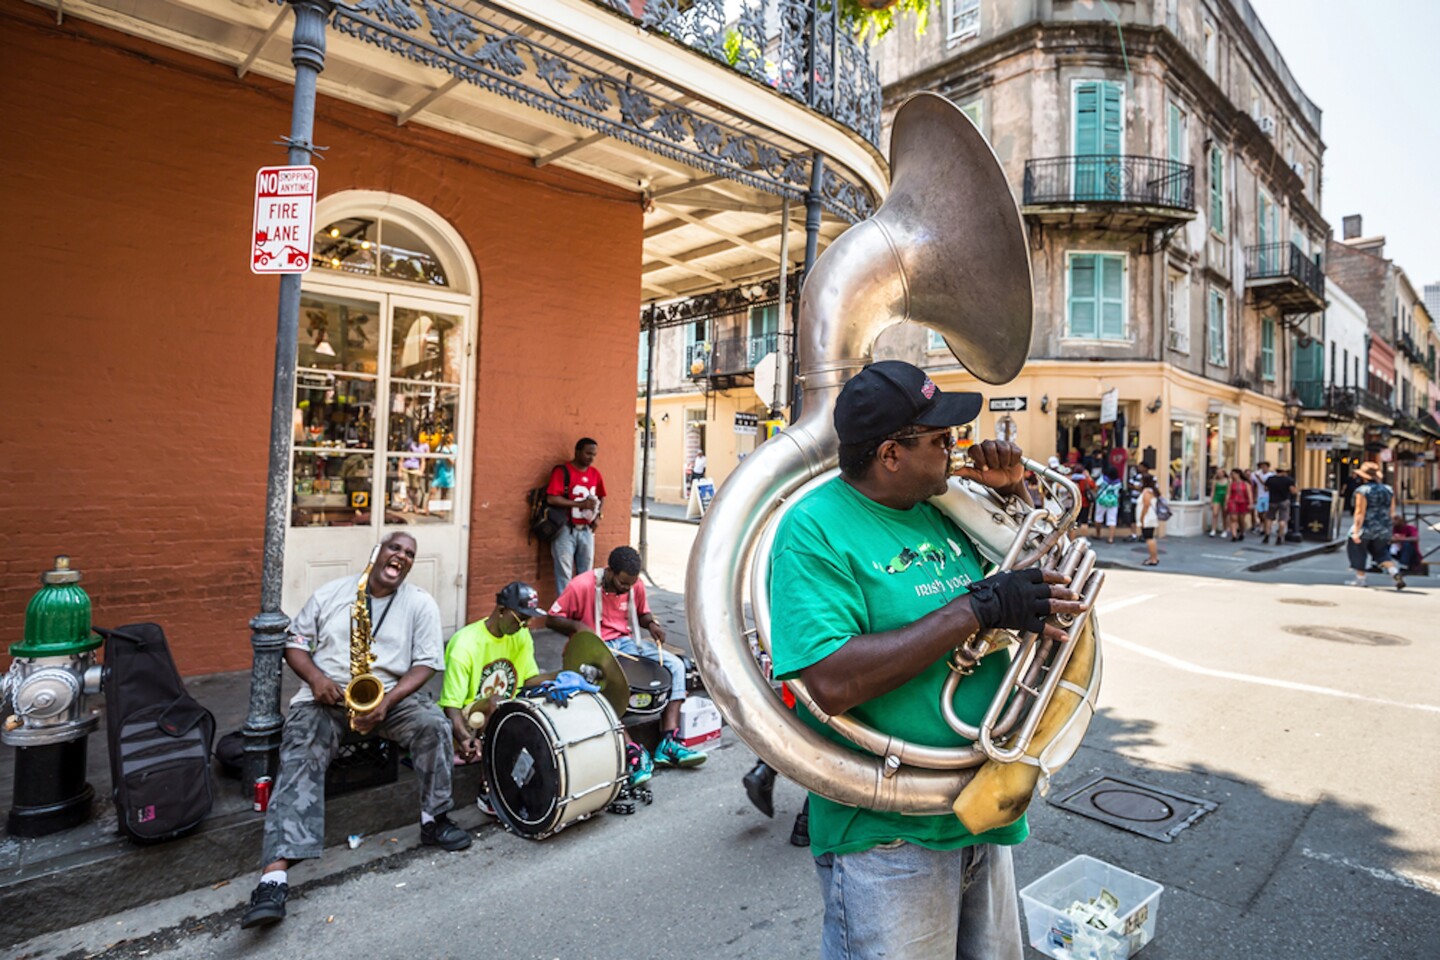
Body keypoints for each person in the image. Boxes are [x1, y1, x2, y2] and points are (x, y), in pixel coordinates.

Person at [769, 360, 1087, 960]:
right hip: (888, 833)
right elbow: (832, 679)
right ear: (891, 453)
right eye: (941, 440)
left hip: (978, 808)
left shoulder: (947, 505)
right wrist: (978, 608)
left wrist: (1014, 496)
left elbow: (1051, 579)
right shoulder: (812, 529)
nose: (957, 449)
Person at [240, 533, 469, 930]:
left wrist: (388, 701)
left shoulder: (420, 603)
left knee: (434, 725)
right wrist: (315, 678)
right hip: (327, 698)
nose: (402, 556)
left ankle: (435, 820)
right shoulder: (332, 593)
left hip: (388, 699)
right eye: (395, 548)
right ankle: (273, 878)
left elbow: (427, 663)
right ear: (378, 552)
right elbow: (293, 642)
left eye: (410, 554)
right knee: (300, 747)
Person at [548, 545, 707, 777]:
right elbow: (551, 620)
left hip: (627, 644)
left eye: (631, 584)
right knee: (605, 684)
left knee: (675, 665)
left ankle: (668, 741)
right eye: (623, 583)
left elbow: (642, 614)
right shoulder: (581, 585)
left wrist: (651, 624)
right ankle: (632, 752)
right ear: (610, 571)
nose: (627, 588)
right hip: (593, 649)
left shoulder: (634, 585)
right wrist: (578, 627)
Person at [439, 582, 549, 811]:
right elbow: (451, 704)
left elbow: (528, 680)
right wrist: (462, 737)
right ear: (501, 611)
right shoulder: (464, 644)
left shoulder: (521, 636)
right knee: (496, 703)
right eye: (521, 618)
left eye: (530, 620)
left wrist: (563, 676)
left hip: (505, 714)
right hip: (472, 719)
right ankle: (489, 787)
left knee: (541, 702)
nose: (526, 625)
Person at [546, 438, 606, 594]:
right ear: (577, 452)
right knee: (564, 575)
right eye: (587, 453)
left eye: (594, 454)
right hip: (565, 529)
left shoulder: (595, 474)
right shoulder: (562, 471)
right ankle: (564, 613)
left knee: (586, 575)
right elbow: (552, 498)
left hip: (586, 530)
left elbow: (601, 495)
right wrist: (580, 505)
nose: (591, 458)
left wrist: (598, 516)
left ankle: (582, 610)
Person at [1347, 462, 1405, 590]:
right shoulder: (1388, 490)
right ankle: (1393, 571)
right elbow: (1392, 511)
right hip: (1384, 527)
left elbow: (1359, 512)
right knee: (1381, 553)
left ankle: (1360, 579)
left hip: (1367, 526)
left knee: (1358, 550)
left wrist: (1356, 530)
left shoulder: (1362, 491)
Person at [1262, 467, 1296, 544]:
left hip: (1272, 501)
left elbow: (1265, 489)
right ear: (1284, 472)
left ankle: (1267, 535)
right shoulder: (1288, 480)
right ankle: (1280, 537)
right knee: (1282, 519)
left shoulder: (1270, 479)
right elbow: (1293, 491)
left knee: (1269, 518)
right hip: (1284, 501)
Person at [1094, 466, 1123, 544]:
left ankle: (1098, 534)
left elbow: (1096, 486)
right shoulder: (1118, 481)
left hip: (1101, 500)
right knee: (1112, 520)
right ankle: (1111, 538)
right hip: (1113, 501)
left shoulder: (1103, 479)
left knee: (1098, 517)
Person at [1137, 473, 1161, 566]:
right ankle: (1153, 557)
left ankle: (1153, 559)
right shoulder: (1152, 491)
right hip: (1150, 518)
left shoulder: (1146, 492)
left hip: (1148, 518)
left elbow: (1146, 505)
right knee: (1150, 537)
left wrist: (1142, 518)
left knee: (1149, 538)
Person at [1225, 468, 1253, 541]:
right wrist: (1226, 503)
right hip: (1233, 501)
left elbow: (1249, 494)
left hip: (1243, 502)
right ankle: (1234, 535)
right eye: (1231, 474)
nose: (1232, 476)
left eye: (1233, 474)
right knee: (1233, 518)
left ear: (1238, 474)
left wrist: (1250, 503)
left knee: (1241, 519)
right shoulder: (1231, 484)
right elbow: (1228, 494)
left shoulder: (1245, 483)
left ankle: (1242, 532)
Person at [1207, 466, 1229, 537]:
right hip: (1217, 497)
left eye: (1220, 472)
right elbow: (1212, 491)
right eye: (1218, 473)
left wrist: (1227, 501)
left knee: (1224, 514)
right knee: (1215, 513)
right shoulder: (1215, 481)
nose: (1219, 474)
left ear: (1223, 473)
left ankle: (1225, 530)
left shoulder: (1228, 480)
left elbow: (1228, 492)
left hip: (1224, 497)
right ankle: (1213, 529)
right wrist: (1211, 501)